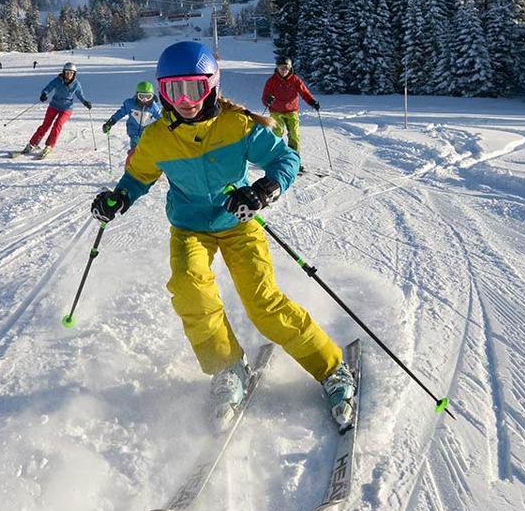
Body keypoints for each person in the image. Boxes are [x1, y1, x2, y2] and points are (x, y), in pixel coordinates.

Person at [90, 41, 355, 432]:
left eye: (195, 88)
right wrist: (119, 198)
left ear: (212, 86)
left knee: (263, 303)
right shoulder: (157, 138)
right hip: (190, 228)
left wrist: (264, 190)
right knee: (189, 288)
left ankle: (331, 367)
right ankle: (228, 368)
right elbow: (138, 177)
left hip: (239, 222)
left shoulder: (237, 124)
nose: (185, 100)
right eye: (173, 90)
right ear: (162, 92)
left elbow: (287, 159)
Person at [16, 62, 92, 158]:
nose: (69, 75)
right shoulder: (58, 80)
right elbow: (49, 87)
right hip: (54, 105)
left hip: (66, 108)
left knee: (57, 125)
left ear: (74, 74)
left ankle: (49, 146)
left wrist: (85, 102)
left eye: (71, 73)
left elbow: (80, 95)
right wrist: (44, 93)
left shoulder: (76, 84)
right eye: (67, 72)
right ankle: (32, 144)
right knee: (45, 125)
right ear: (64, 72)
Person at [261, 57, 320, 172]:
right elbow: (265, 97)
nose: (283, 71)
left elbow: (304, 93)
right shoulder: (272, 81)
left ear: (290, 68)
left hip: (291, 111)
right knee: (277, 132)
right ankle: (274, 159)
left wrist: (312, 102)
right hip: (276, 111)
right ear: (277, 68)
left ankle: (294, 160)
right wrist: (268, 100)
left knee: (294, 134)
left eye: (286, 68)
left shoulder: (295, 80)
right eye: (281, 68)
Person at [102, 81, 162, 162]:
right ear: (137, 95)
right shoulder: (131, 104)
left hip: (146, 132)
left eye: (148, 97)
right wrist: (110, 122)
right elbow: (120, 113)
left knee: (146, 148)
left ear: (152, 96)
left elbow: (160, 118)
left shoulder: (153, 107)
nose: (144, 100)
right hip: (133, 131)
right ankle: (133, 161)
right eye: (141, 96)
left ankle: (145, 162)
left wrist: (168, 126)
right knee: (135, 147)